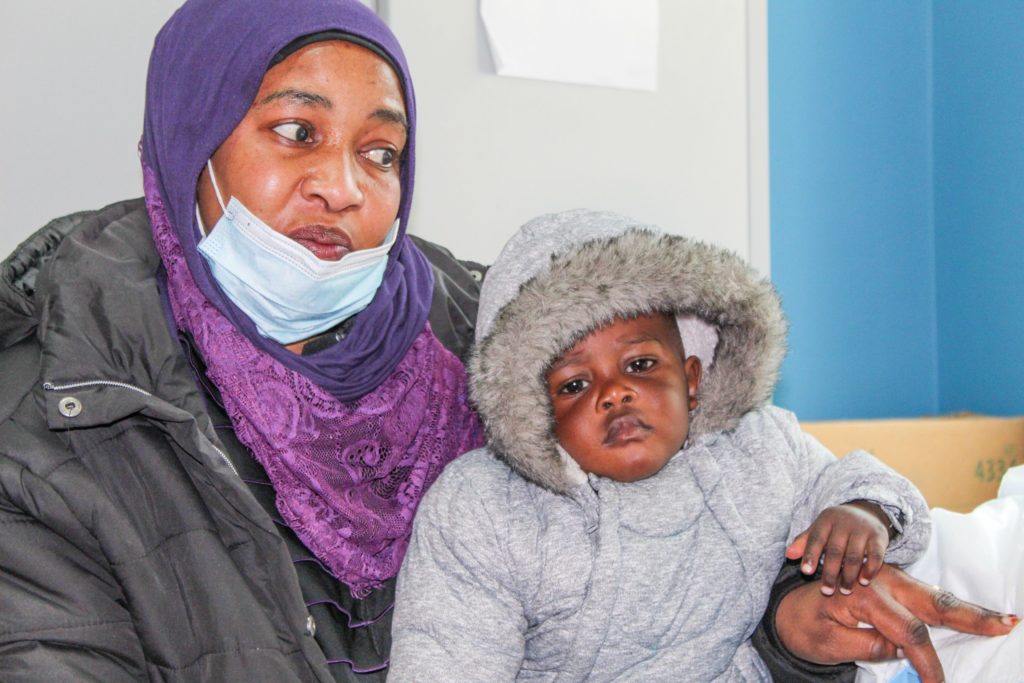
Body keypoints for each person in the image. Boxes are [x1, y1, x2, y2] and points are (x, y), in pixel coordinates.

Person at [0, 1, 1012, 681]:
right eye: (296, 132)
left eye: (381, 151)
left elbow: (679, 555)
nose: (343, 187)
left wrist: (799, 613)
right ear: (191, 139)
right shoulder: (53, 428)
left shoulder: (508, 339)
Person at [388, 208, 937, 680]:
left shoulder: (754, 449)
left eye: (641, 364)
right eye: (574, 385)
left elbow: (852, 480)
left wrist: (866, 510)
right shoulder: (485, 505)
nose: (614, 393)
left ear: (691, 378)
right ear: (533, 410)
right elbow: (446, 657)